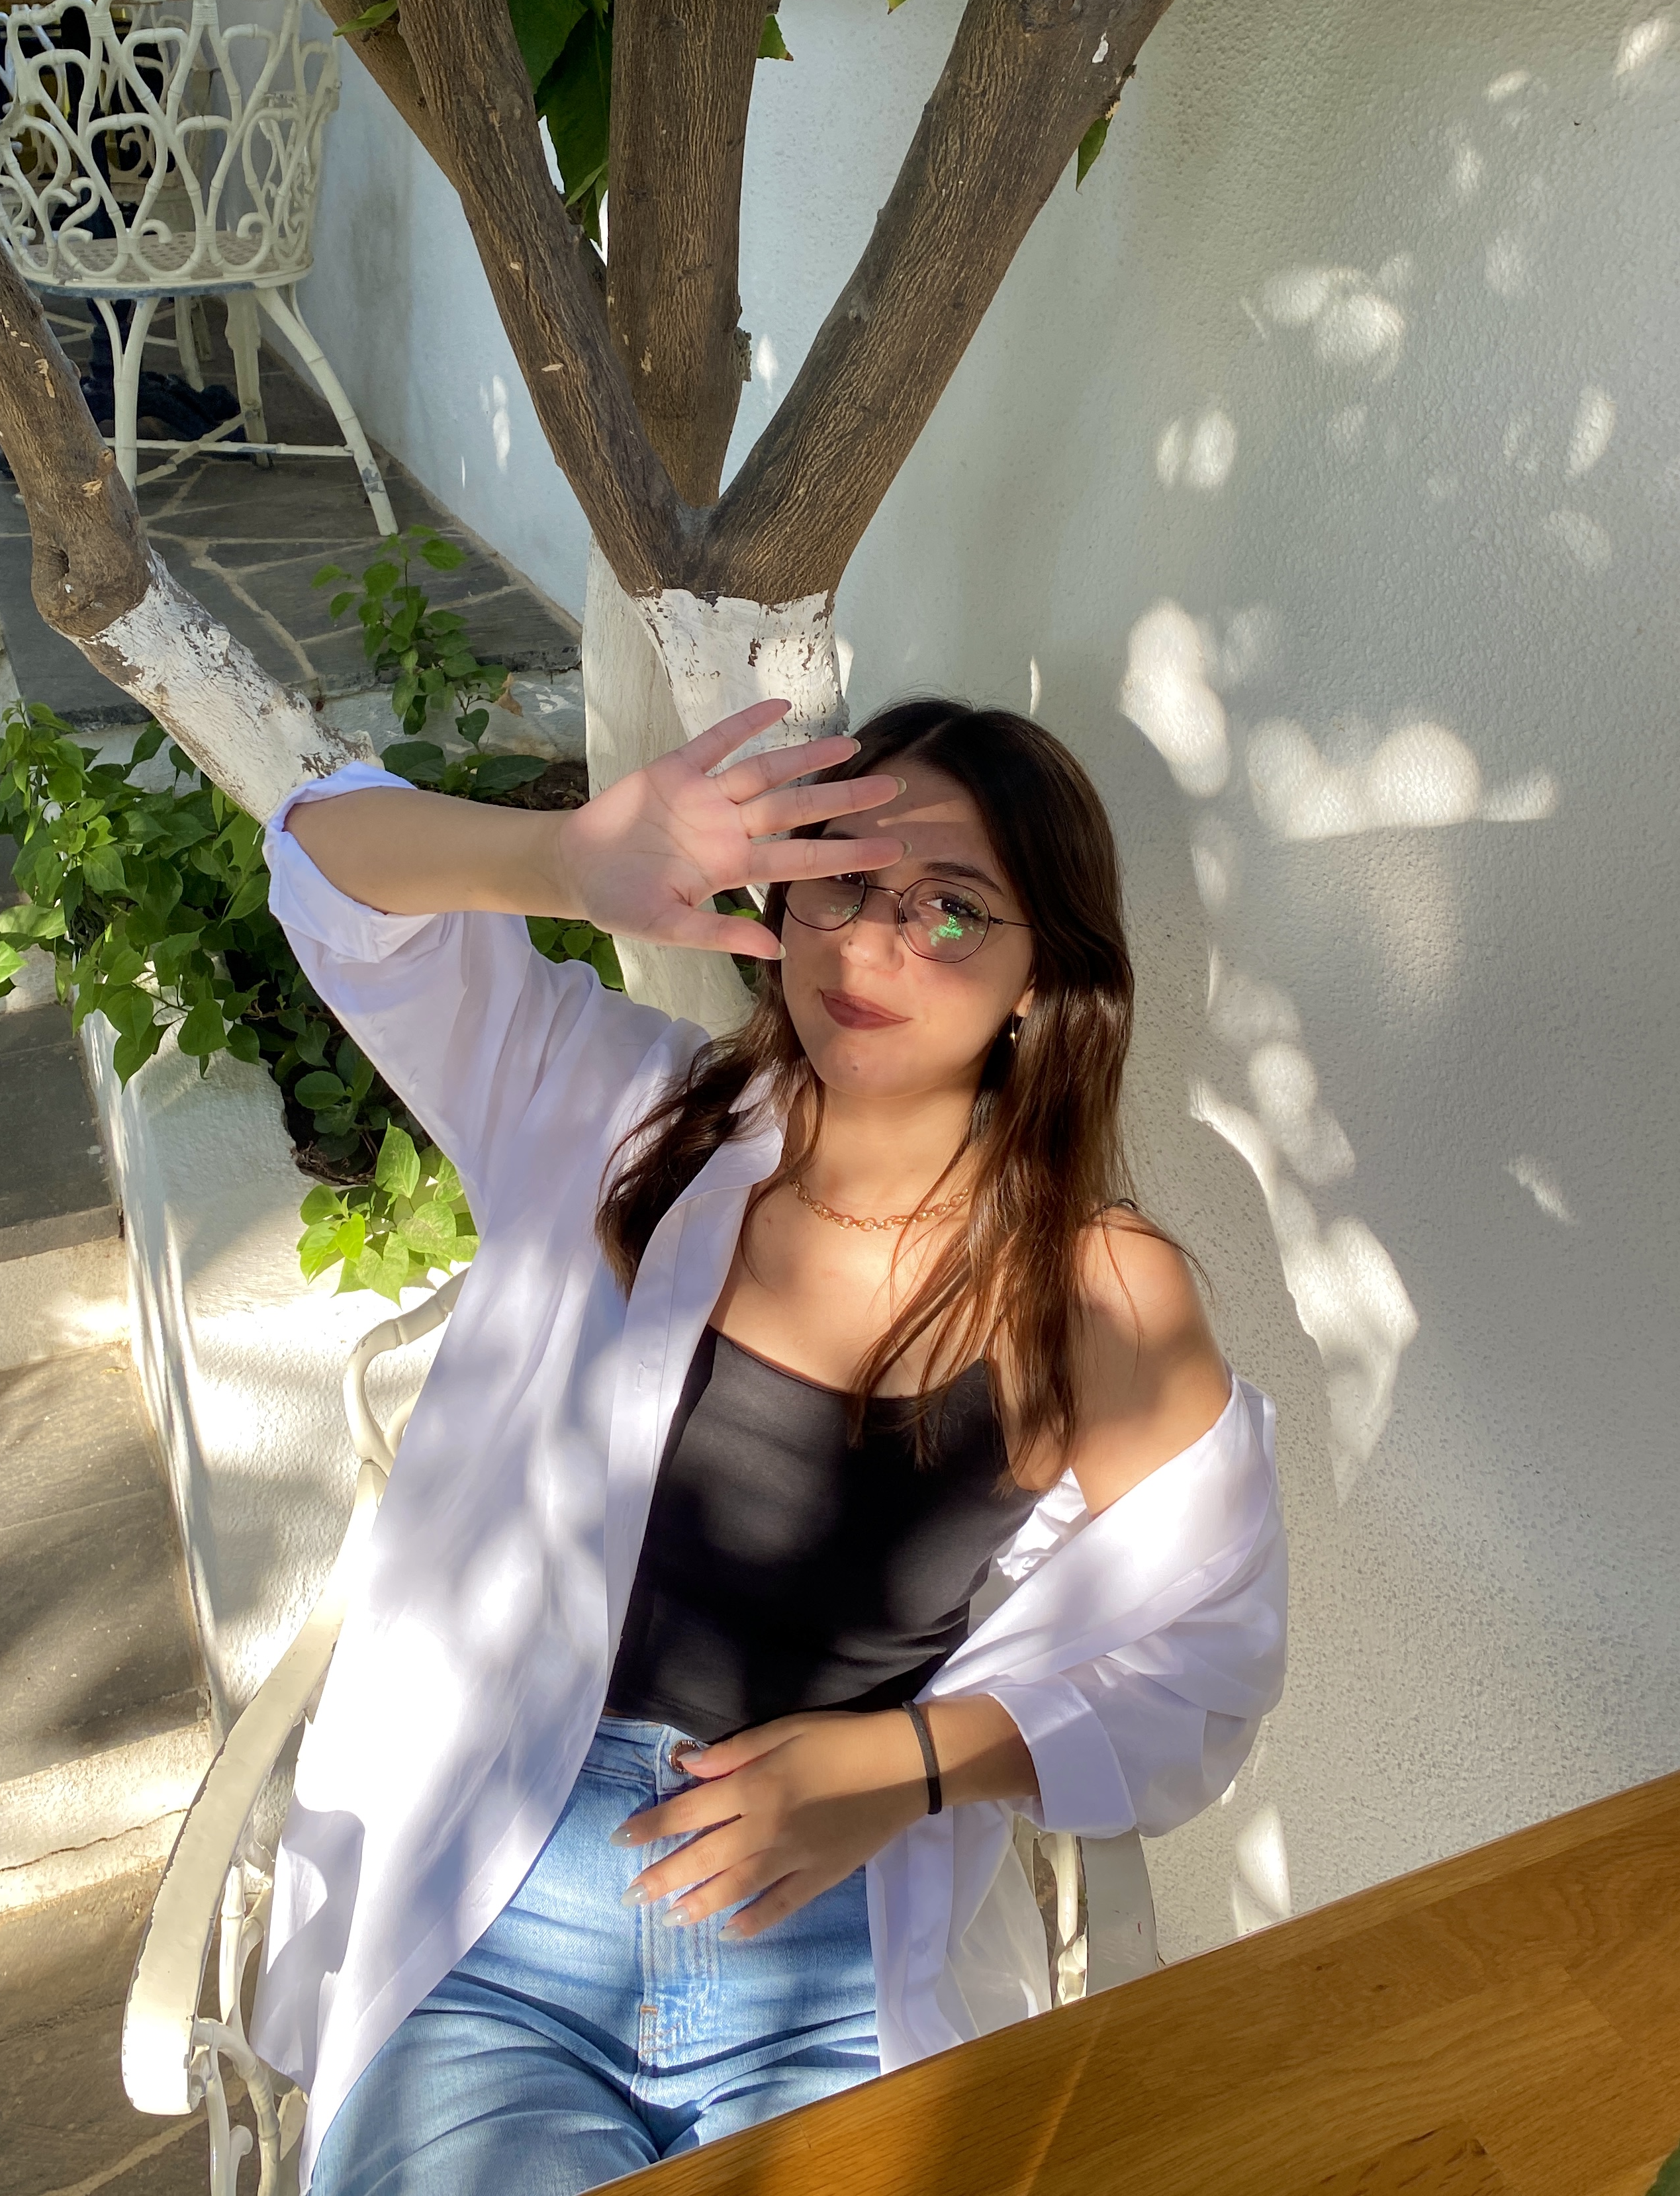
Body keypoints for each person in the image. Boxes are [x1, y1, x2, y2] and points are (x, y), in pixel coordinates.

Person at [249, 696, 1287, 2196]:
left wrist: (905, 1764)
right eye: (839, 882)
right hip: (503, 1920)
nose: (870, 947)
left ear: (1044, 976)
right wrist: (564, 859)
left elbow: (1205, 1658)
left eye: (950, 909)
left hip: (835, 1946)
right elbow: (325, 867)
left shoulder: (1098, 1292)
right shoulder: (619, 1115)